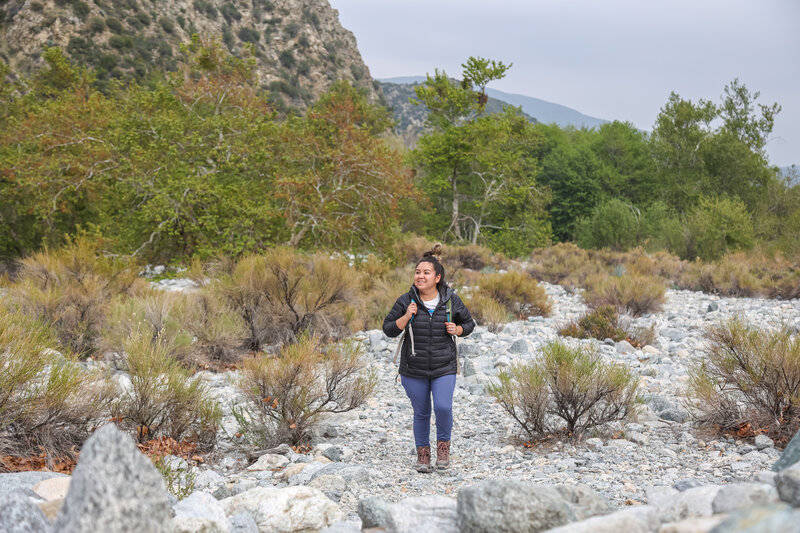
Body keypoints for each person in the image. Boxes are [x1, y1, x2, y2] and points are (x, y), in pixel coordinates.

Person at [383, 245, 475, 473]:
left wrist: (458, 330)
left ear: (437, 277)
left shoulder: (451, 300)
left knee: (443, 407)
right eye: (417, 272)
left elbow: (469, 324)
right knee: (421, 412)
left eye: (425, 272)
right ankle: (423, 455)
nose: (420, 276)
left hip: (444, 366)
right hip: (413, 369)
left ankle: (443, 449)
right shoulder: (406, 301)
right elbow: (389, 329)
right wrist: (407, 316)